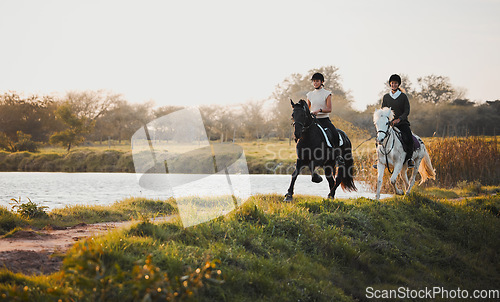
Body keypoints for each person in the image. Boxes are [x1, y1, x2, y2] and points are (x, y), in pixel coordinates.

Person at [306, 72, 344, 165]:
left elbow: (329, 109)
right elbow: (307, 109)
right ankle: (303, 157)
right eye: (314, 81)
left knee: (334, 133)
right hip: (313, 121)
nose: (315, 83)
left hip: (324, 120)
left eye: (317, 81)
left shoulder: (327, 94)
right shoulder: (309, 95)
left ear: (322, 82)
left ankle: (337, 155)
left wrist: (319, 110)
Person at [381, 74, 415, 167]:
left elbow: (407, 110)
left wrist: (399, 119)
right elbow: (383, 110)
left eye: (395, 83)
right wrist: (389, 121)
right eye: (392, 83)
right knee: (380, 137)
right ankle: (379, 159)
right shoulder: (386, 97)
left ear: (398, 84)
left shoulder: (403, 96)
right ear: (390, 84)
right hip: (389, 124)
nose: (394, 85)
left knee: (409, 138)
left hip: (402, 123)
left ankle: (410, 159)